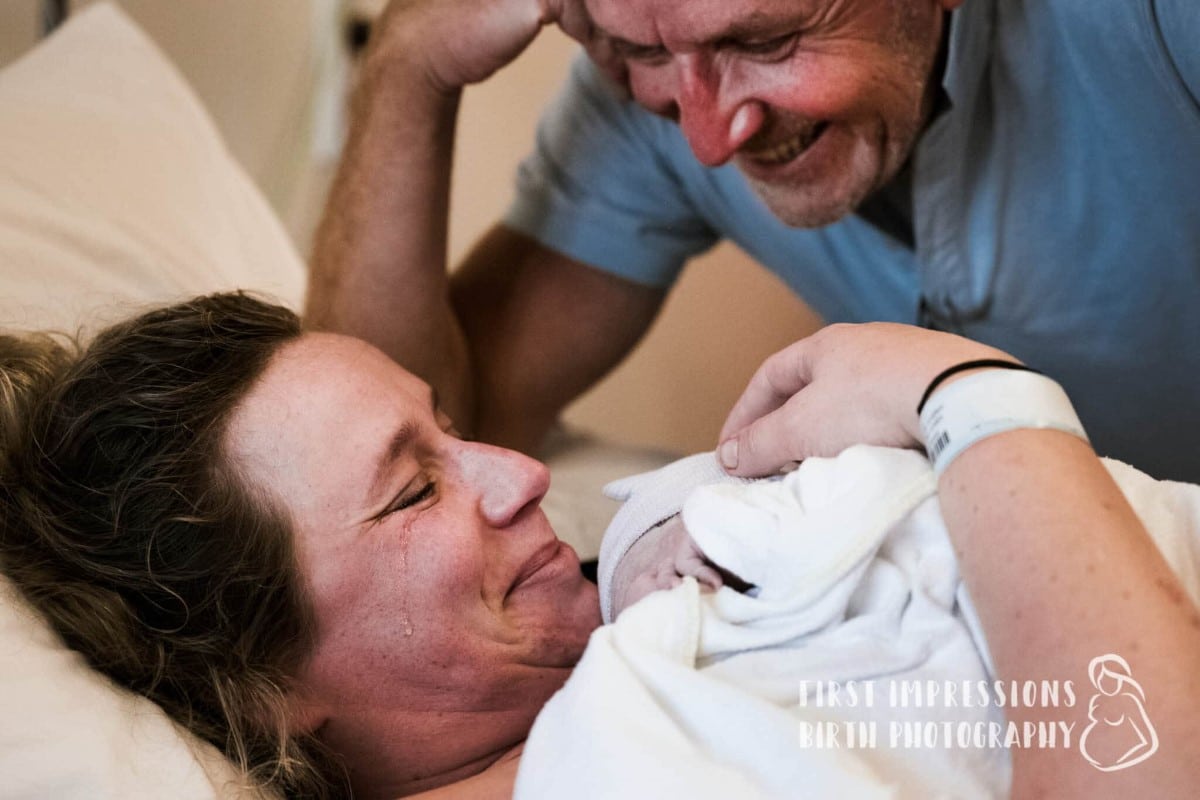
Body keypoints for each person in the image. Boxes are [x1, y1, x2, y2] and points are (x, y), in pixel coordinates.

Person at [3, 293, 1199, 798]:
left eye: (455, 432)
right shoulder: (617, 760)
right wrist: (968, 394)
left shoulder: (641, 598)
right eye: (413, 491)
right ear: (268, 689)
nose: (522, 476)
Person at [305, 0, 1200, 482]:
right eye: (638, 53)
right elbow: (402, 444)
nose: (705, 140)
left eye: (765, 41)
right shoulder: (643, 94)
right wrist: (403, 67)